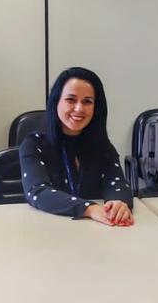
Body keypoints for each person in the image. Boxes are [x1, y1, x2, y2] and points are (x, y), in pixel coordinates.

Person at [20, 67, 133, 226]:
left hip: (96, 231)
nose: (79, 108)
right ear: (56, 101)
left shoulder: (102, 145)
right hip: (48, 229)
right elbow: (38, 192)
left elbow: (117, 182)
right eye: (71, 100)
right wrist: (89, 209)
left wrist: (119, 203)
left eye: (87, 101)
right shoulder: (33, 144)